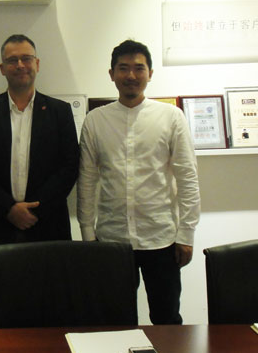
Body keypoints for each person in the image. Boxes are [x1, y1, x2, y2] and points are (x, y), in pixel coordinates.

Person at [77, 39, 200, 325]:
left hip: (162, 238)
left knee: (167, 319)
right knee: (115, 320)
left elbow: (187, 177)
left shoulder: (171, 117)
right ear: (111, 74)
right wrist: (88, 234)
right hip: (112, 239)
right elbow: (87, 180)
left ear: (150, 73)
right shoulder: (95, 120)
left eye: (138, 68)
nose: (131, 75)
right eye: (123, 68)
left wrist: (186, 234)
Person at [0, 34, 79, 327]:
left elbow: (69, 167)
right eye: (12, 60)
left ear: (37, 64)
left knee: (48, 308)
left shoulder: (59, 112)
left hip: (47, 227)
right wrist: (9, 208)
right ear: (2, 68)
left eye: (26, 58)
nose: (20, 65)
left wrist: (34, 210)